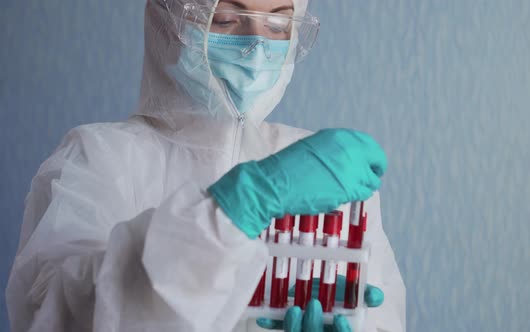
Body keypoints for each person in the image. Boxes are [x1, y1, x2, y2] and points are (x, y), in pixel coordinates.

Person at [6, 0, 406, 331]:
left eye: (279, 25)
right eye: (227, 19)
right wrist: (233, 209)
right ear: (171, 20)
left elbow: (383, 314)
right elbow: (57, 316)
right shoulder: (100, 158)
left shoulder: (320, 171)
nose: (256, 45)